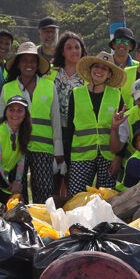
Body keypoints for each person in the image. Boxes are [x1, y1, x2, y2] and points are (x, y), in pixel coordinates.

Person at [0, 42, 60, 204]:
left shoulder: (49, 86)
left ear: (38, 64)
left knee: (45, 194)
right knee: (17, 193)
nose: (29, 64)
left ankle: (44, 226)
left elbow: (56, 120)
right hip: (15, 148)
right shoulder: (8, 88)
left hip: (44, 149)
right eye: (24, 60)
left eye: (32, 60)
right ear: (18, 64)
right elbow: (0, 122)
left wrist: (58, 152)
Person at [67, 54, 126, 195]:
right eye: (96, 66)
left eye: (104, 69)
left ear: (109, 75)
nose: (99, 71)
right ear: (90, 69)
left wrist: (118, 157)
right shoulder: (76, 94)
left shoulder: (116, 95)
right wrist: (66, 159)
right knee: (76, 197)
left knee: (106, 198)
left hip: (108, 156)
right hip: (81, 155)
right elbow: (70, 128)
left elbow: (123, 131)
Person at [48, 31, 87, 185]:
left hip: (78, 132)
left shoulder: (88, 76)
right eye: (69, 48)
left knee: (73, 175)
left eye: (77, 47)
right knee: (54, 175)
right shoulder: (51, 74)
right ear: (62, 52)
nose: (73, 51)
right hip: (54, 130)